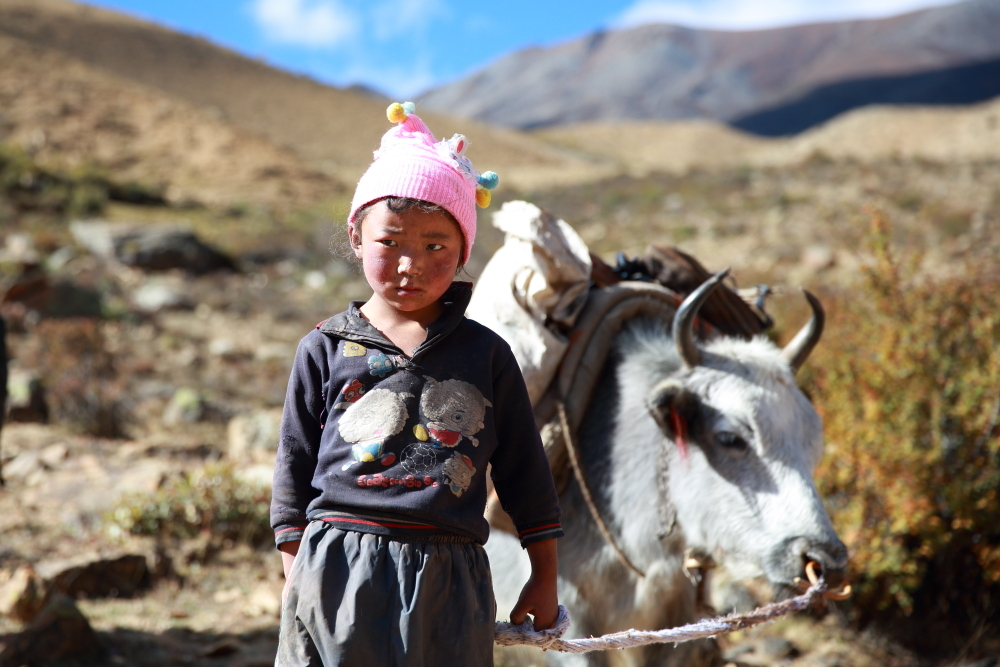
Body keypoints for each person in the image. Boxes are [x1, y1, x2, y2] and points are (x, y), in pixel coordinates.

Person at [270, 102, 563, 666]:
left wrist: (544, 576)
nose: (411, 265)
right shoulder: (325, 348)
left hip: (449, 574)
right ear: (357, 238)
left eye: (436, 247)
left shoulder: (487, 355)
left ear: (462, 254)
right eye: (391, 242)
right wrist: (297, 571)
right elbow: (293, 465)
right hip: (336, 563)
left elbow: (527, 473)